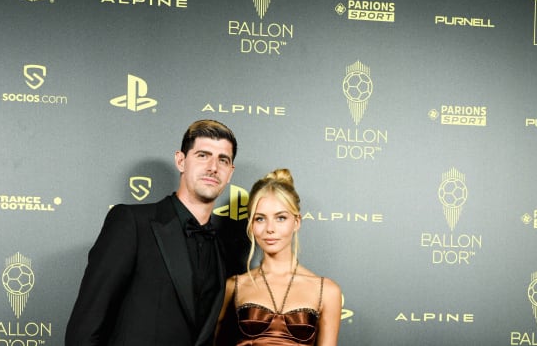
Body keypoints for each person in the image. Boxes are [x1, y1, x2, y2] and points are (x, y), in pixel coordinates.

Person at [66, 119, 248, 346]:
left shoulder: (226, 246)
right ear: (181, 161)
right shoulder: (132, 223)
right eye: (203, 155)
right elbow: (84, 331)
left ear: (230, 172)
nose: (213, 167)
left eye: (223, 160)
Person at [215, 169, 342, 346]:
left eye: (280, 218)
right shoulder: (234, 286)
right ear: (251, 224)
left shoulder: (327, 291)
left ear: (296, 222)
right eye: (260, 219)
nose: (270, 229)